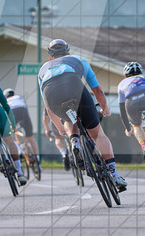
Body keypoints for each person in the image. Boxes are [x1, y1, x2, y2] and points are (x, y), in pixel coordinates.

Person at [38, 38, 127, 192]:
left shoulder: (42, 70)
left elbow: (47, 106)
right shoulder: (78, 60)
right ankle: (114, 175)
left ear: (50, 57)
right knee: (98, 135)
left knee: (67, 119)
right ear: (68, 51)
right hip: (73, 85)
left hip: (51, 94)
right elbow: (97, 90)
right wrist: (105, 108)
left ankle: (74, 141)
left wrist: (60, 128)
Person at [4, 88, 40, 169]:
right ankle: (38, 161)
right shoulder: (19, 97)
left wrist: (11, 126)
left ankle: (19, 150)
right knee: (31, 139)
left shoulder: (6, 101)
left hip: (13, 112)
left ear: (5, 96)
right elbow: (26, 109)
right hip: (24, 113)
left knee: (11, 134)